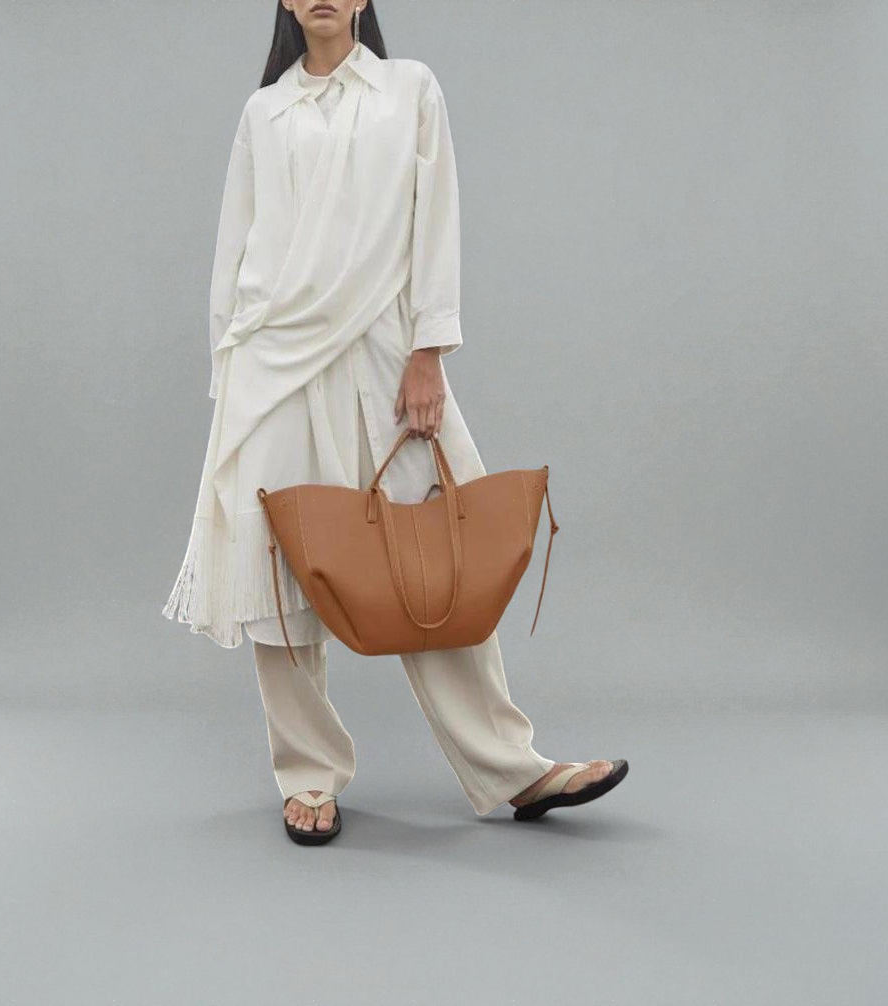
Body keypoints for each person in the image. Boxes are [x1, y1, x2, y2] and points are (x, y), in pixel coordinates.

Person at [163, 0, 628, 845]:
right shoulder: (264, 111)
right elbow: (236, 244)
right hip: (274, 360)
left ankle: (511, 767)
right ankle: (307, 775)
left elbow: (435, 216)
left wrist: (429, 351)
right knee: (281, 571)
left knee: (436, 553)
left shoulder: (410, 89)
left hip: (385, 346)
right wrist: (229, 376)